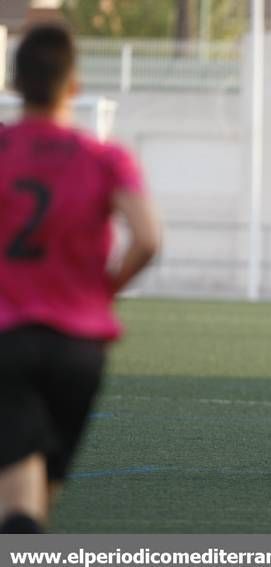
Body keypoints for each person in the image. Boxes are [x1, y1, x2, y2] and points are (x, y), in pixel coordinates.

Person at [0, 24, 159, 533]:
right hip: (80, 350)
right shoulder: (106, 157)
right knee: (39, 498)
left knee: (18, 505)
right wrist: (102, 292)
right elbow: (148, 237)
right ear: (74, 85)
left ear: (15, 82)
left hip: (9, 340)